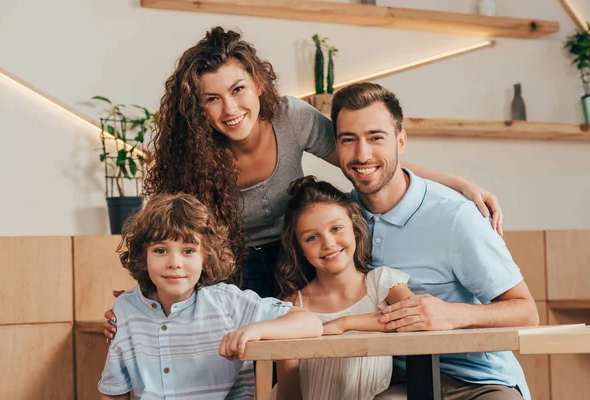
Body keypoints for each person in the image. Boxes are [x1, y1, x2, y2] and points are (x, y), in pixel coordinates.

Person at [103, 26, 503, 339]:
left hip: (293, 260)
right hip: (224, 272)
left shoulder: (291, 117)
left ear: (258, 83)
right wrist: (142, 302)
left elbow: (362, 160)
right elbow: (169, 232)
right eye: (211, 99)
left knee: (293, 361)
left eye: (238, 89)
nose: (230, 109)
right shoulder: (190, 150)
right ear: (198, 107)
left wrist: (459, 184)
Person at [330, 82, 539, 400]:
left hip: (479, 382)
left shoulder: (457, 216)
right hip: (391, 383)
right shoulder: (337, 222)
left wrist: (455, 314)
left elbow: (526, 312)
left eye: (376, 138)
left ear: (401, 141)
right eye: (349, 140)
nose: (362, 154)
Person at [97, 193, 322, 400]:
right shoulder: (126, 308)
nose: (174, 262)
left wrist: (255, 330)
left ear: (206, 256)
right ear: (142, 256)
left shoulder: (228, 302)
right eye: (160, 250)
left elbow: (311, 323)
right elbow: (114, 391)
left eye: (188, 251)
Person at [270, 176, 414, 400]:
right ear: (299, 248)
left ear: (355, 228)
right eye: (312, 237)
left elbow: (417, 317)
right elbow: (288, 392)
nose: (328, 243)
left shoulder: (381, 284)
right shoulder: (292, 306)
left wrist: (344, 324)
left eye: (336, 228)